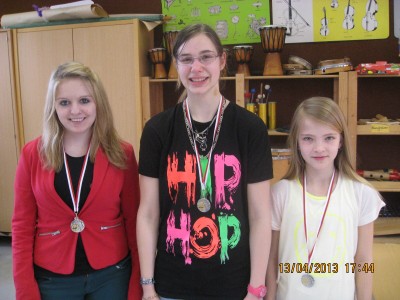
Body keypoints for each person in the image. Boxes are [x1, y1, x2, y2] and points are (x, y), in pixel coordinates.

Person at [137, 23, 273, 300]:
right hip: (172, 285)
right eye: (186, 59)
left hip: (234, 285)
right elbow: (149, 214)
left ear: (222, 61)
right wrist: (148, 286)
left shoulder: (250, 128)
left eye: (206, 57)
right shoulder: (156, 130)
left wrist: (255, 288)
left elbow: (260, 215)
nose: (196, 68)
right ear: (176, 65)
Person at [12, 61, 141, 300]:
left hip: (112, 275)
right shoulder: (32, 154)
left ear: (98, 103)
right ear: (53, 106)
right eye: (64, 102)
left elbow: (134, 221)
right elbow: (21, 226)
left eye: (84, 100)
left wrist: (138, 284)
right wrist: (24, 289)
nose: (75, 111)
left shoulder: (122, 153)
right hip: (53, 278)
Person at [266, 97, 385, 300]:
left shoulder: (362, 194)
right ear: (296, 141)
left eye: (328, 138)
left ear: (341, 141)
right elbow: (271, 259)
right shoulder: (280, 193)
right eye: (308, 138)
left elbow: (364, 260)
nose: (319, 148)